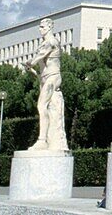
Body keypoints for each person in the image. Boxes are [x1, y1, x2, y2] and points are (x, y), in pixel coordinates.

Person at [23, 18, 67, 150]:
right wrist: (32, 71)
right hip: (45, 77)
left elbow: (35, 60)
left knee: (41, 105)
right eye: (40, 26)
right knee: (44, 106)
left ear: (49, 27)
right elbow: (39, 65)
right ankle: (44, 138)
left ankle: (42, 140)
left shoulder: (51, 42)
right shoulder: (44, 43)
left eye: (42, 27)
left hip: (53, 77)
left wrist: (29, 63)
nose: (40, 29)